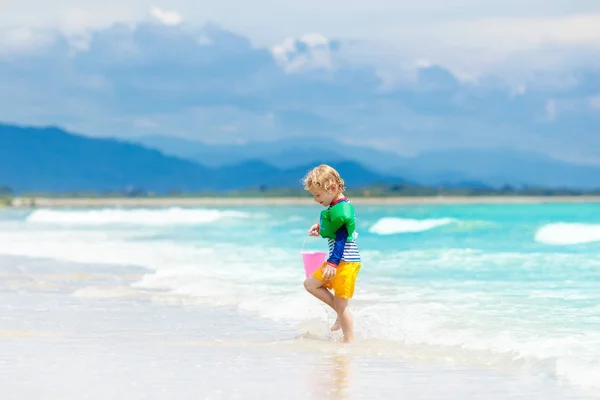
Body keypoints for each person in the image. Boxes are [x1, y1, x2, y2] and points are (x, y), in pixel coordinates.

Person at [301, 164, 361, 343]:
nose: (316, 199)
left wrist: (333, 263)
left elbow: (342, 237)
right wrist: (320, 228)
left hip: (345, 262)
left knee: (343, 307)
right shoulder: (335, 207)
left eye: (317, 195)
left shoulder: (342, 210)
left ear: (332, 188)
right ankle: (340, 314)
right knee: (310, 284)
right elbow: (334, 230)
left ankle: (349, 342)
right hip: (337, 259)